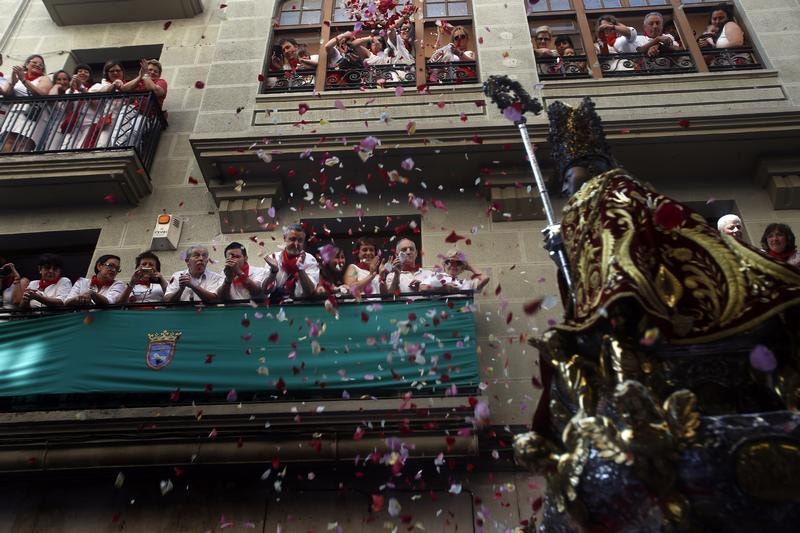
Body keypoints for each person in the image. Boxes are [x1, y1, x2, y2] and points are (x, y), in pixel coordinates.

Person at [0, 54, 53, 152]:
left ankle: (18, 166)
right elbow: (7, 94)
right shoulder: (16, 75)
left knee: (24, 143)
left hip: (33, 113)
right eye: (34, 62)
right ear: (26, 64)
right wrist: (13, 83)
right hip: (15, 112)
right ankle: (4, 164)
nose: (38, 65)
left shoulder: (44, 79)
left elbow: (41, 94)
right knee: (9, 140)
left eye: (41, 64)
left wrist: (24, 80)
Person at [262, 224, 320, 300]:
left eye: (300, 240)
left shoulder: (310, 260)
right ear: (284, 238)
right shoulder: (274, 258)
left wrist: (300, 268)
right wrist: (274, 271)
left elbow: (309, 291)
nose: (296, 244)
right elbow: (266, 290)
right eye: (292, 239)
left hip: (300, 305)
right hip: (276, 306)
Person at [420, 249, 489, 293]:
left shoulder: (465, 284)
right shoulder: (434, 277)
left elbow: (485, 278)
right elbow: (422, 288)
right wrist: (443, 288)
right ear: (444, 264)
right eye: (450, 262)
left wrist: (468, 266)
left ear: (462, 268)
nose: (454, 265)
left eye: (458, 263)